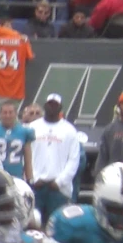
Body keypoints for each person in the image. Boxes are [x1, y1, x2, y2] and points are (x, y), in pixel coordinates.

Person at [28, 92, 86, 222]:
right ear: (45, 106)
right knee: (32, 224)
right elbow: (25, 156)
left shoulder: (69, 130)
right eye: (49, 104)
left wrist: (59, 182)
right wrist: (33, 179)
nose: (52, 107)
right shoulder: (33, 127)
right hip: (36, 187)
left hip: (59, 190)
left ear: (60, 108)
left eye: (55, 105)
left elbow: (74, 160)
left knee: (57, 227)